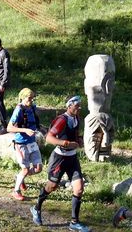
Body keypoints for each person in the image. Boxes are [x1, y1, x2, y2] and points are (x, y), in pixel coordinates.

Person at [30, 96, 90, 232]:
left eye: (80, 105)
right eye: (77, 106)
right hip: (59, 158)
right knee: (52, 187)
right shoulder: (62, 120)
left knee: (79, 188)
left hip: (72, 158)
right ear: (69, 106)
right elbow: (49, 138)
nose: (79, 108)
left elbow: (74, 135)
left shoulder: (76, 119)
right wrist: (66, 143)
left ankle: (74, 222)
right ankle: (36, 207)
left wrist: (79, 141)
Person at [7, 88, 43, 201]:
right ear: (23, 97)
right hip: (21, 143)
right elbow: (9, 128)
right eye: (29, 98)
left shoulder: (32, 107)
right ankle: (16, 191)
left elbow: (35, 122)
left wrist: (42, 128)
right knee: (26, 169)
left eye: (32, 98)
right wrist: (25, 130)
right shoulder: (18, 110)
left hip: (32, 142)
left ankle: (20, 177)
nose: (31, 100)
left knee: (38, 168)